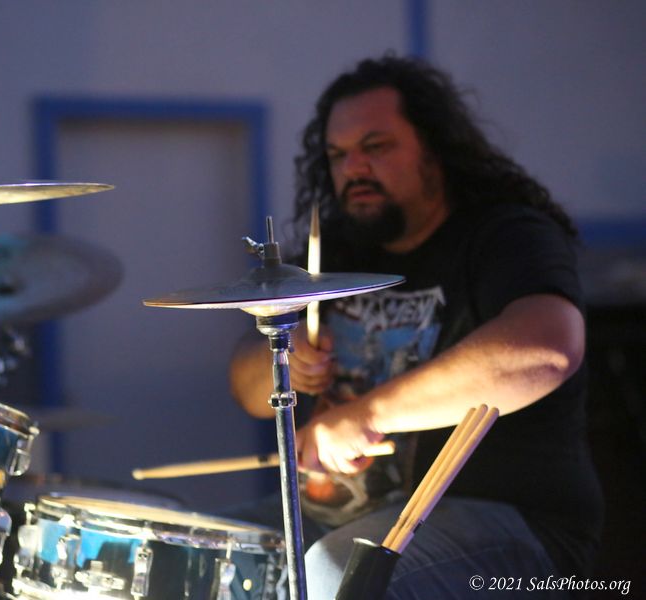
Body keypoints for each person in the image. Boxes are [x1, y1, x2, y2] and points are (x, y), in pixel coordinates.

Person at [229, 55, 603, 599]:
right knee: (213, 552)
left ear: (434, 149)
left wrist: (368, 414)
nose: (354, 167)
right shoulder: (336, 250)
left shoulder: (507, 235)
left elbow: (546, 348)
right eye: (338, 155)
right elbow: (248, 390)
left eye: (376, 146)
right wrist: (283, 360)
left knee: (339, 575)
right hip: (345, 515)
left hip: (512, 523)